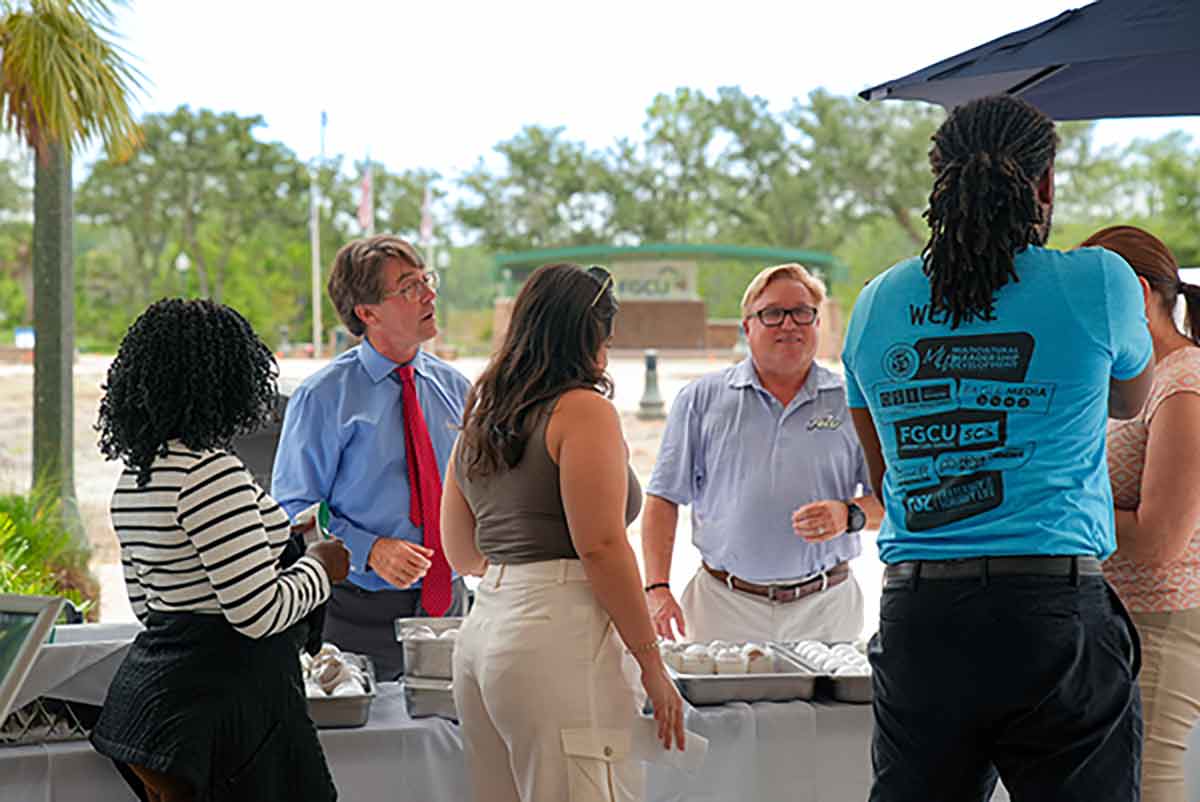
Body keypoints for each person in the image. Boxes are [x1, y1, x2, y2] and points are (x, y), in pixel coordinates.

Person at [842, 95, 1155, 801]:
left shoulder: (876, 303)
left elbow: (886, 471)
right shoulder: (1098, 281)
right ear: (1043, 186)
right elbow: (1131, 403)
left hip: (921, 616)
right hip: (1054, 613)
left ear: (938, 184)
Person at [441, 263, 685, 802]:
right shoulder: (582, 411)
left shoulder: (480, 414)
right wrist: (651, 661)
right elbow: (600, 546)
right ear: (590, 333)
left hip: (484, 633)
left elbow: (459, 549)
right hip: (559, 634)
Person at [91, 298, 350, 802]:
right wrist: (321, 566)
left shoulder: (136, 480)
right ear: (227, 379)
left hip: (153, 712)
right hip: (231, 718)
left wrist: (275, 539)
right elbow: (256, 612)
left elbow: (152, 607)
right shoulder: (211, 472)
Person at [642, 263, 882, 645]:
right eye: (772, 314)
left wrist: (848, 515)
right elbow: (663, 497)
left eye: (802, 312)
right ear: (747, 326)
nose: (789, 324)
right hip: (722, 607)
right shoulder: (701, 399)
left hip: (827, 611)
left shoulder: (853, 402)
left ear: (818, 323)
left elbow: (889, 502)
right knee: (718, 708)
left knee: (833, 708)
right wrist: (656, 587)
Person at [272, 235, 471, 680]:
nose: (429, 295)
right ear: (367, 312)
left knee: (451, 741)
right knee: (364, 743)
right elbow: (291, 511)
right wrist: (370, 549)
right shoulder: (323, 398)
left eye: (426, 280)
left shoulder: (458, 390)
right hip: (355, 613)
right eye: (409, 287)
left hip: (449, 605)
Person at [1084, 225, 1200, 802]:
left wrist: (1061, 503)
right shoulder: (1130, 382)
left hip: (1161, 622)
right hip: (1117, 620)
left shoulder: (1185, 384)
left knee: (1146, 784)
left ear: (1134, 290)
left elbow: (1161, 540)